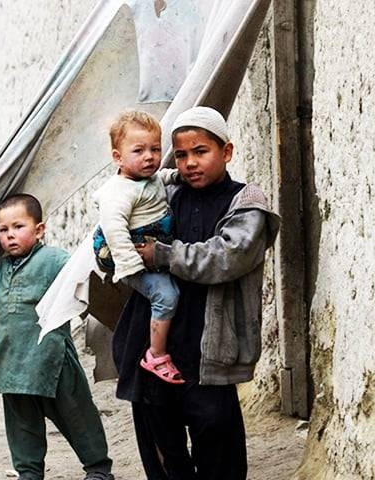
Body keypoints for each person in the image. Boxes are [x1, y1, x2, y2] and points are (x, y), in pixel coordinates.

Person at [111, 106, 281, 479]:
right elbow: (121, 225)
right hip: (154, 349)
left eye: (200, 151)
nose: (190, 163)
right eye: (182, 154)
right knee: (163, 453)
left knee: (218, 447)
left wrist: (163, 254)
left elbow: (228, 256)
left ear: (227, 151)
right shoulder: (163, 194)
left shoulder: (247, 202)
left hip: (210, 350)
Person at [0, 194, 114, 480]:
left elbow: (84, 276)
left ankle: (98, 469)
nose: (10, 235)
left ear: (39, 229)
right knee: (22, 424)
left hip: (53, 358)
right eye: (3, 230)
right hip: (13, 363)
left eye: (18, 227)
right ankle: (29, 473)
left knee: (77, 415)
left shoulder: (53, 260)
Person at [92, 110, 183, 384]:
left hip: (147, 246)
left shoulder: (146, 177)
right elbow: (115, 231)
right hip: (125, 255)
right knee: (166, 295)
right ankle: (155, 355)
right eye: (139, 150)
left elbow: (159, 180)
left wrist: (176, 177)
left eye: (155, 149)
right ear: (117, 157)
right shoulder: (117, 192)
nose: (149, 157)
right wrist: (131, 265)